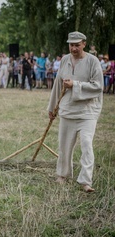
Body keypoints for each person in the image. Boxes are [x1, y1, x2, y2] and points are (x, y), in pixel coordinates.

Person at [48, 31, 103, 193]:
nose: (74, 48)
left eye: (77, 45)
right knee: (64, 145)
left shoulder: (93, 62)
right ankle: (62, 175)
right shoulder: (65, 60)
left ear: (84, 44)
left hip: (87, 112)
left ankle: (85, 181)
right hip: (67, 110)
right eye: (71, 45)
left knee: (86, 144)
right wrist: (52, 108)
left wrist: (76, 85)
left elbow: (98, 86)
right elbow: (58, 85)